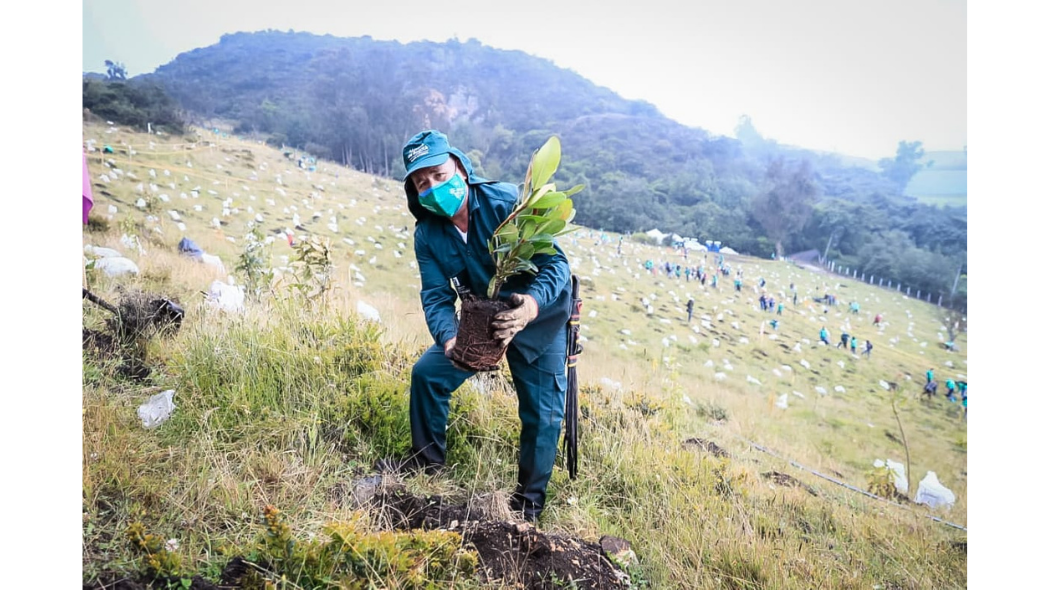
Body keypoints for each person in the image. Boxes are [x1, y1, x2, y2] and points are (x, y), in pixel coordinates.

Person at [388, 130, 571, 523]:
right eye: (423, 183)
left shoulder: (506, 204)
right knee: (428, 374)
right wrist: (450, 338)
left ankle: (527, 507)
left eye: (439, 174)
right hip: (480, 324)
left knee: (543, 415)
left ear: (460, 167)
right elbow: (436, 295)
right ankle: (426, 468)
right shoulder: (428, 234)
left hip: (536, 320)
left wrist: (530, 307)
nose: (434, 187)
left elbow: (558, 266)